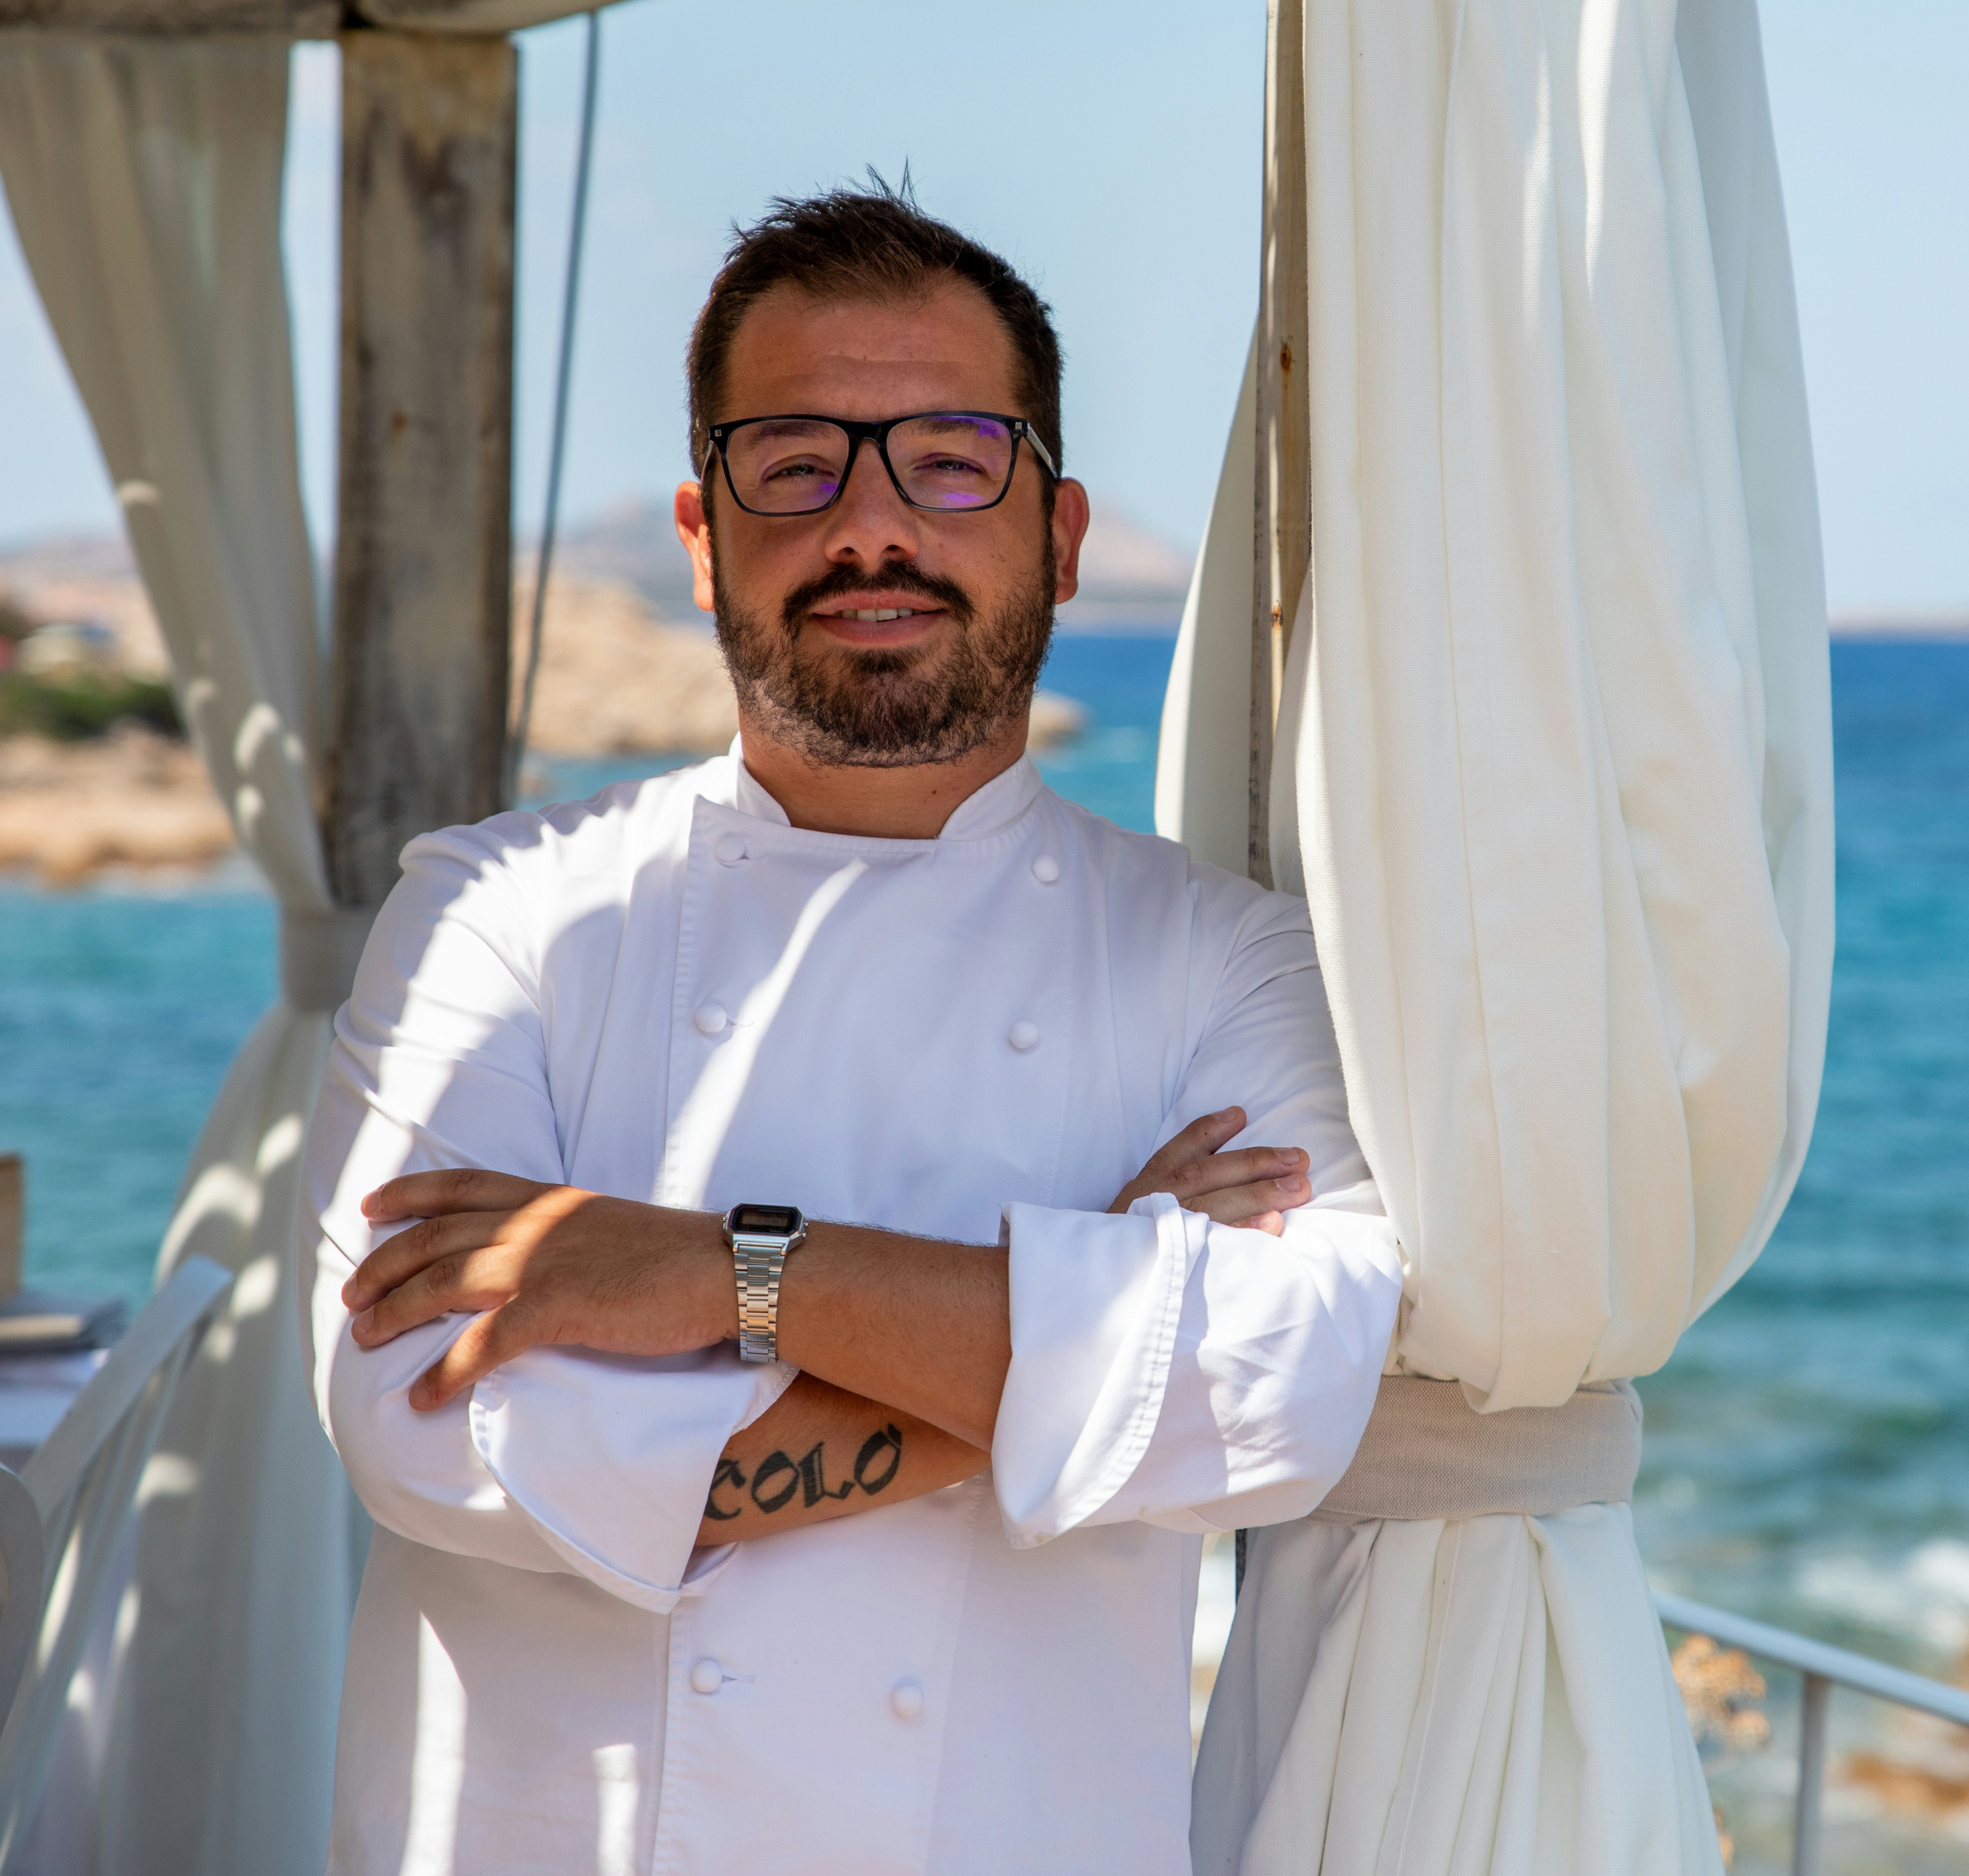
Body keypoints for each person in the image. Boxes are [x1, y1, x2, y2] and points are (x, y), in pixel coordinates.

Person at [305, 188, 1403, 1876]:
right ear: (698, 531)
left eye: (953, 456)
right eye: (796, 461)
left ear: (1057, 528)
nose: (872, 524)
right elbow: (418, 1433)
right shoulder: (495, 911)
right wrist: (1084, 1320)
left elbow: (1277, 1396)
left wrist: (734, 1276)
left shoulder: (1228, 961)